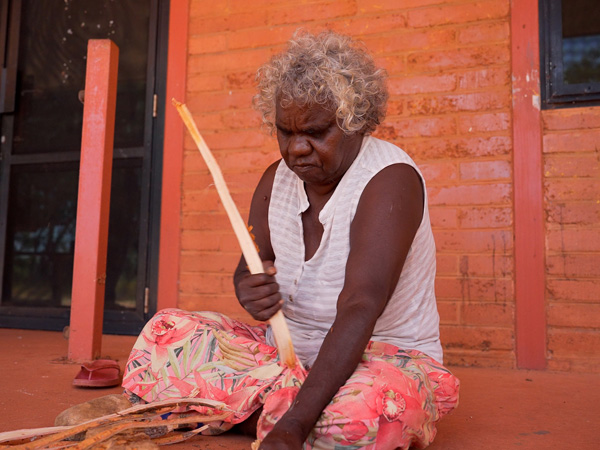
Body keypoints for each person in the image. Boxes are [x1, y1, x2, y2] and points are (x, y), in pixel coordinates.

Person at [122, 30, 459, 449]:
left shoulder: (389, 180)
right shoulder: (274, 181)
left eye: (316, 132)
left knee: (361, 417)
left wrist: (294, 425)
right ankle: (285, 409)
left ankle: (254, 411)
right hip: (285, 356)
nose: (297, 149)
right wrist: (247, 288)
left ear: (354, 121)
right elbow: (250, 263)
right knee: (165, 333)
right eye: (285, 132)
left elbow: (361, 305)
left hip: (382, 359)